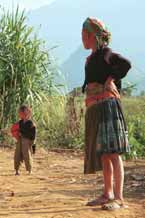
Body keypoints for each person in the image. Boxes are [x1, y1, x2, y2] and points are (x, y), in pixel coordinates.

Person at [82, 17, 131, 210]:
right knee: (103, 153)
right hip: (96, 108)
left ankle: (118, 197)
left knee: (112, 152)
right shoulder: (91, 58)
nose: (82, 38)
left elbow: (126, 64)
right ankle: (107, 193)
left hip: (108, 107)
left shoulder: (106, 53)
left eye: (84, 35)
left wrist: (111, 78)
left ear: (93, 36)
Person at [11, 105, 36, 175]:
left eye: (21, 113)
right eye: (19, 113)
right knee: (17, 154)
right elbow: (14, 129)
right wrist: (15, 133)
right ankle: (16, 170)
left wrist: (33, 145)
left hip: (27, 141)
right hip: (20, 140)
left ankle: (29, 170)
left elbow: (33, 135)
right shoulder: (20, 122)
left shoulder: (31, 123)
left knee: (27, 155)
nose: (19, 114)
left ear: (27, 113)